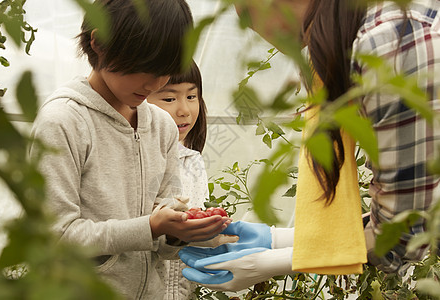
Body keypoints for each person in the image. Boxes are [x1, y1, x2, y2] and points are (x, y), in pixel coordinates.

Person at [178, 0, 440, 292]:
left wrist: (277, 260)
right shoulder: (367, 35)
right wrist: (279, 240)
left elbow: (404, 230)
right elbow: (410, 207)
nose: (265, 38)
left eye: (250, 18)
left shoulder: (386, 46)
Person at [28, 1, 230, 298]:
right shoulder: (64, 122)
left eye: (166, 70)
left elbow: (160, 247)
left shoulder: (161, 126)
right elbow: (54, 237)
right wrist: (148, 227)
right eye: (145, 67)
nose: (155, 83)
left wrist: (176, 233)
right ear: (99, 43)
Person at [147, 61, 208, 300]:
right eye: (169, 99)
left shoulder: (192, 161)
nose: (184, 110)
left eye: (192, 96)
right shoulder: (138, 159)